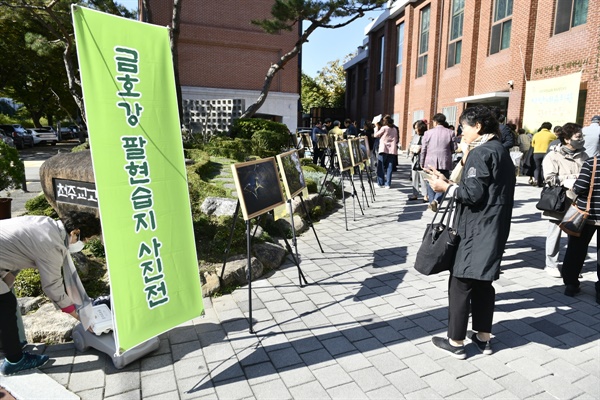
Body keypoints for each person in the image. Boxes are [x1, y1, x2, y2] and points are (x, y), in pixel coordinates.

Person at [427, 105, 515, 359]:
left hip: (476, 228)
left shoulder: (481, 152)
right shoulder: (500, 149)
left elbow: (473, 195)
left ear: (477, 127)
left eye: (463, 126)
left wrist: (445, 187)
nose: (460, 132)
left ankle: (456, 342)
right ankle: (483, 338)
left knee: (461, 282)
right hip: (495, 226)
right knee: (484, 282)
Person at [0, 215, 94, 376]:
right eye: (84, 239)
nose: (82, 244)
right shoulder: (52, 245)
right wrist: (82, 318)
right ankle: (15, 361)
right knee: (6, 305)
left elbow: (14, 255)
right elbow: (52, 287)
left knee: (3, 301)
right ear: (75, 232)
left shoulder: (46, 224)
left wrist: (6, 285)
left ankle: (8, 346)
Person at [541, 123, 588, 278]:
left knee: (574, 234)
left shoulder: (584, 155)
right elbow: (549, 178)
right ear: (567, 139)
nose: (581, 139)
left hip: (577, 201)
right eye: (578, 136)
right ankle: (551, 264)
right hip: (559, 200)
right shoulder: (553, 156)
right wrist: (569, 179)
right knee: (554, 233)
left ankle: (570, 266)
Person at [561, 155, 600, 303]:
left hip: (587, 215)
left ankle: (571, 284)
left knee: (576, 250)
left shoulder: (592, 162)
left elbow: (580, 187)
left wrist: (572, 184)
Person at [421, 113, 455, 211]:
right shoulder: (450, 132)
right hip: (444, 161)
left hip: (430, 161)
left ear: (435, 122)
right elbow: (454, 148)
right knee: (444, 181)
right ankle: (436, 200)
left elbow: (423, 149)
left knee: (430, 182)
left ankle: (432, 201)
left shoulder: (428, 133)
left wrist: (422, 162)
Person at [373, 115, 399, 188]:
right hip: (392, 150)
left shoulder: (384, 128)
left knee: (380, 166)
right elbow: (396, 139)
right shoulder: (394, 129)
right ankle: (388, 184)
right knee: (389, 167)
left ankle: (380, 183)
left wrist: (376, 127)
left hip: (383, 149)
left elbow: (375, 135)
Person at [531, 122, 557, 187]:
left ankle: (536, 181)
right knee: (544, 168)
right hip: (546, 153)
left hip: (536, 152)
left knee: (537, 168)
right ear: (550, 128)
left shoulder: (536, 134)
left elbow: (532, 144)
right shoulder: (552, 135)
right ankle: (542, 181)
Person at [408, 120, 428, 201]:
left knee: (423, 178)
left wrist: (420, 149)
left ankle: (425, 195)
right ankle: (415, 194)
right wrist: (411, 149)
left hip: (423, 158)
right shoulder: (415, 136)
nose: (415, 130)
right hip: (415, 158)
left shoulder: (426, 135)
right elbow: (410, 144)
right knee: (414, 176)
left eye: (416, 128)